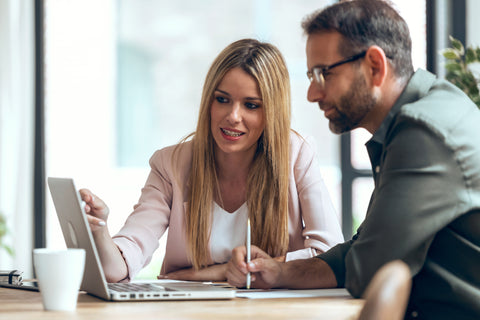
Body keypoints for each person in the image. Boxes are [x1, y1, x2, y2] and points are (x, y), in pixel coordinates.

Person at [226, 1, 480, 319]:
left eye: (323, 74)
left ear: (375, 65)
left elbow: (369, 269)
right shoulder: (424, 113)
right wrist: (280, 272)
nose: (312, 94)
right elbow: (366, 247)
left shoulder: (423, 132)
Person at [80, 38, 344, 284]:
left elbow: (331, 257)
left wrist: (212, 272)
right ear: (208, 101)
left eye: (251, 105)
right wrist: (100, 231)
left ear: (271, 112)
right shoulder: (170, 164)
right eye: (222, 100)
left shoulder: (296, 154)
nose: (233, 116)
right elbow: (119, 267)